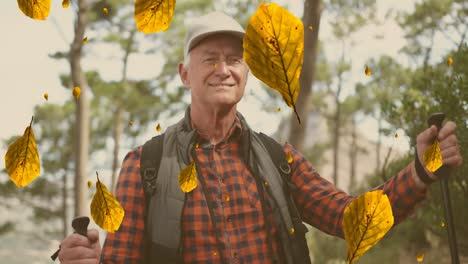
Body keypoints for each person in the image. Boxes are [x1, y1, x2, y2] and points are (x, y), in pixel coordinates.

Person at [58, 11, 463, 264]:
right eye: (209, 59)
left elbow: (349, 218)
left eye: (234, 59)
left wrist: (421, 173)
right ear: (185, 73)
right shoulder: (145, 166)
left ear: (247, 73)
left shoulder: (277, 158)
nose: (224, 69)